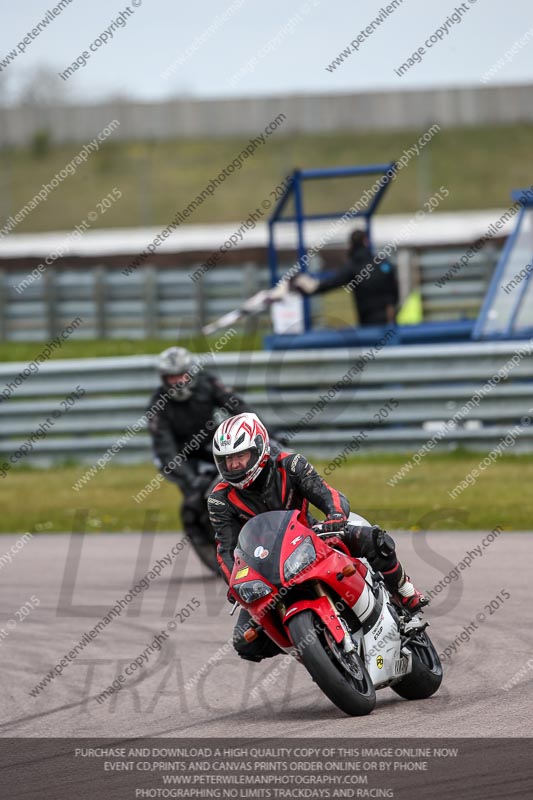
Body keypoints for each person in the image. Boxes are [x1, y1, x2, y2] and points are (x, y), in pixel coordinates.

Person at [207, 412, 428, 663]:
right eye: (226, 459)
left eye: (239, 456)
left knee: (375, 539)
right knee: (244, 642)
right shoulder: (219, 499)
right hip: (266, 566)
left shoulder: (290, 464)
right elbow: (226, 548)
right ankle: (315, 647)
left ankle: (404, 591)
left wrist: (334, 515)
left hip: (312, 538)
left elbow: (328, 494)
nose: (233, 465)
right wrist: (233, 582)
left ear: (259, 449)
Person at [147, 346, 250, 544]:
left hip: (208, 444)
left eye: (181, 375)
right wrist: (189, 478)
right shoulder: (157, 406)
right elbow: (165, 448)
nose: (178, 381)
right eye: (172, 377)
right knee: (198, 492)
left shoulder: (208, 383)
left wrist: (264, 431)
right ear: (164, 379)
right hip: (179, 456)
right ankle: (208, 536)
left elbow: (237, 405)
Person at [292, 228, 399, 326]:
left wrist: (308, 288)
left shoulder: (353, 266)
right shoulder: (382, 263)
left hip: (368, 321)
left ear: (351, 245)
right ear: (366, 241)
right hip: (389, 318)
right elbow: (394, 288)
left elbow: (332, 283)